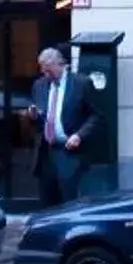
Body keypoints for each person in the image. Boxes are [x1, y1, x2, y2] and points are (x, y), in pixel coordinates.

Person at [25, 46, 97, 206]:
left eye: (49, 71)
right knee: (47, 203)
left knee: (68, 202)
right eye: (43, 71)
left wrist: (79, 135)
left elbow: (95, 115)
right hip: (45, 153)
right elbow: (37, 121)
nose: (46, 75)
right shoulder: (39, 85)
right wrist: (33, 116)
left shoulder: (81, 83)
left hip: (69, 152)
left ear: (60, 64)